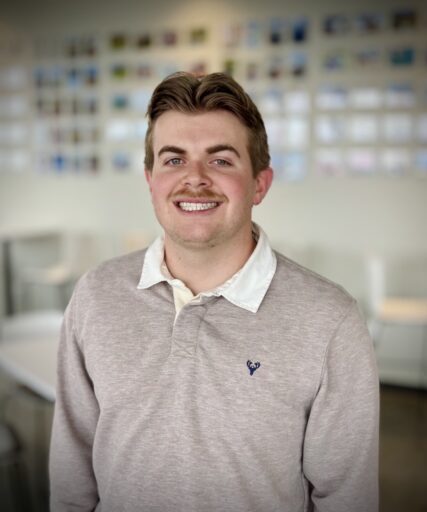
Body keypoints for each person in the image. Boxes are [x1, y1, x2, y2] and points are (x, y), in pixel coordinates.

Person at [49, 72, 379, 512]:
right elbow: (71, 479)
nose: (195, 178)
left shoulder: (330, 321)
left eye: (221, 160)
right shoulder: (96, 296)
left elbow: (347, 499)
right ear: (150, 179)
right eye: (174, 160)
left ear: (260, 184)